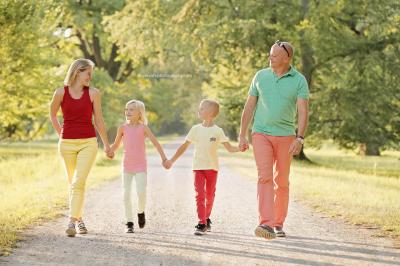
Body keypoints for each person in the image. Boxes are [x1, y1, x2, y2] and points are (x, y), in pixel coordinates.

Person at [238, 40, 309, 239]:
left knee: (282, 181)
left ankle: (278, 223)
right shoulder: (260, 76)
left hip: (286, 136)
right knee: (265, 177)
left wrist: (300, 138)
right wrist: (242, 134)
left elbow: (303, 111)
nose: (270, 58)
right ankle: (266, 223)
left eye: (275, 56)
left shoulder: (299, 80)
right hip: (260, 134)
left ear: (287, 58)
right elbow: (249, 106)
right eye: (270, 54)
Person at [49, 58, 111, 237]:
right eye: (88, 73)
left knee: (78, 182)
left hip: (88, 143)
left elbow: (99, 120)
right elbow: (53, 114)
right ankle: (80, 219)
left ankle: (71, 222)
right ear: (77, 72)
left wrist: (107, 144)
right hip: (66, 144)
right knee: (74, 184)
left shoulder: (93, 93)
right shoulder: (60, 92)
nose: (90, 77)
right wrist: (60, 133)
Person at [164, 99, 241, 235]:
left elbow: (230, 148)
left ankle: (206, 218)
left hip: (212, 168)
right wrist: (172, 160)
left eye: (202, 108)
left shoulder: (218, 131)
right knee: (200, 195)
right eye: (199, 108)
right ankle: (201, 223)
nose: (199, 110)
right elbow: (184, 146)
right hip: (198, 168)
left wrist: (240, 148)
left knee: (210, 196)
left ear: (210, 113)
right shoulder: (195, 129)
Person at [108, 99, 168, 233]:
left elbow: (156, 143)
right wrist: (110, 151)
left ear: (139, 113)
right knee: (126, 194)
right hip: (127, 165)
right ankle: (129, 222)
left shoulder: (143, 128)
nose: (128, 112)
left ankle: (141, 212)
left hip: (140, 166)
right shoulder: (122, 128)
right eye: (126, 109)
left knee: (141, 192)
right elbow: (116, 145)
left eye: (131, 109)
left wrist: (164, 158)